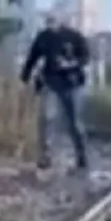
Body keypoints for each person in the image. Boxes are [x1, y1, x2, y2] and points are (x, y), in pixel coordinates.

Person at [20, 14, 91, 169]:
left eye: (53, 21)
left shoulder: (74, 36)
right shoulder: (43, 37)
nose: (50, 24)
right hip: (50, 83)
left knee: (74, 123)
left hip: (72, 84)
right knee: (46, 118)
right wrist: (25, 76)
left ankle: (81, 155)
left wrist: (71, 64)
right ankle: (46, 156)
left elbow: (85, 56)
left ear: (61, 21)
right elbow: (32, 57)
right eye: (48, 21)